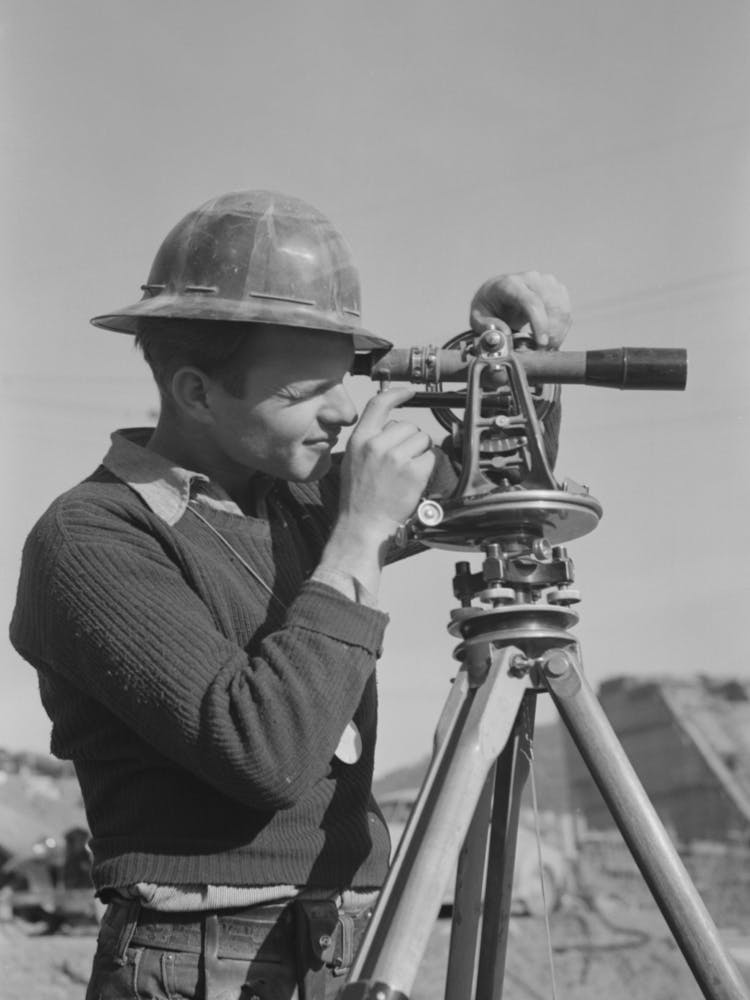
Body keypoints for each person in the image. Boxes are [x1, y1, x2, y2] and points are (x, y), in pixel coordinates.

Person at [9, 190, 571, 1000]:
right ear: (197, 392)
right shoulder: (92, 538)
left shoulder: (300, 496)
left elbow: (494, 488)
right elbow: (262, 753)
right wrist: (360, 532)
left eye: (345, 380)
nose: (345, 413)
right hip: (199, 961)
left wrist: (509, 360)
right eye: (308, 393)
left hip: (340, 943)